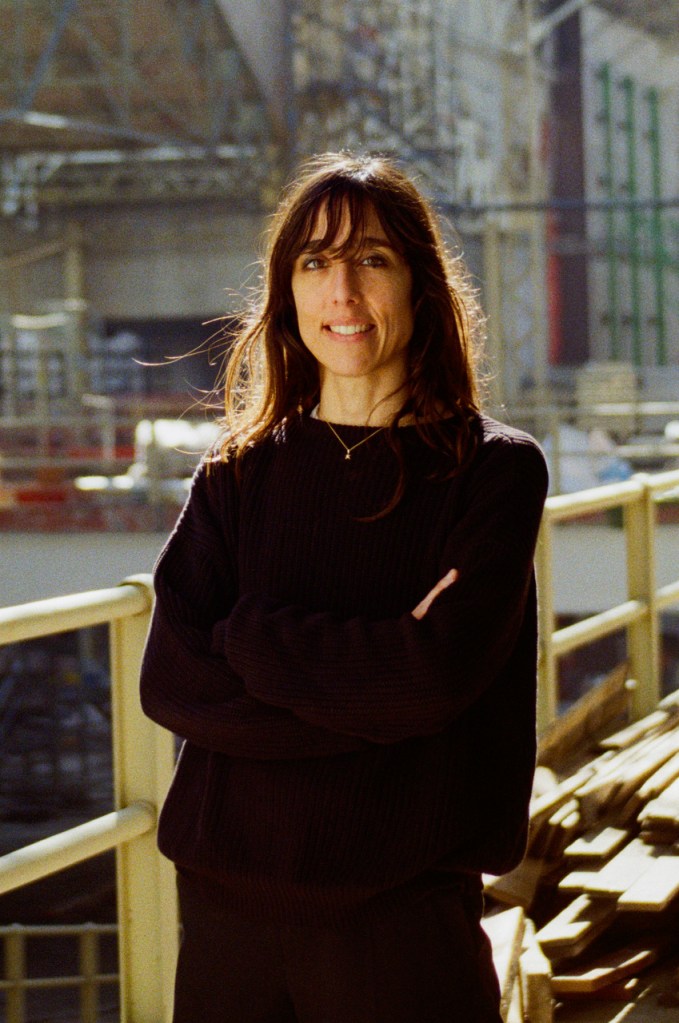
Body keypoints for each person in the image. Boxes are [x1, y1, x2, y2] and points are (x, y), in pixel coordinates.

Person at [140, 151, 549, 1023]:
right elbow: (172, 682)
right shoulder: (237, 474)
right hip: (227, 919)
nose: (343, 292)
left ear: (420, 284)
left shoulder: (493, 473)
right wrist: (376, 691)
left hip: (399, 919)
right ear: (286, 290)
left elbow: (432, 679)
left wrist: (245, 636)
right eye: (315, 261)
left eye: (372, 259)